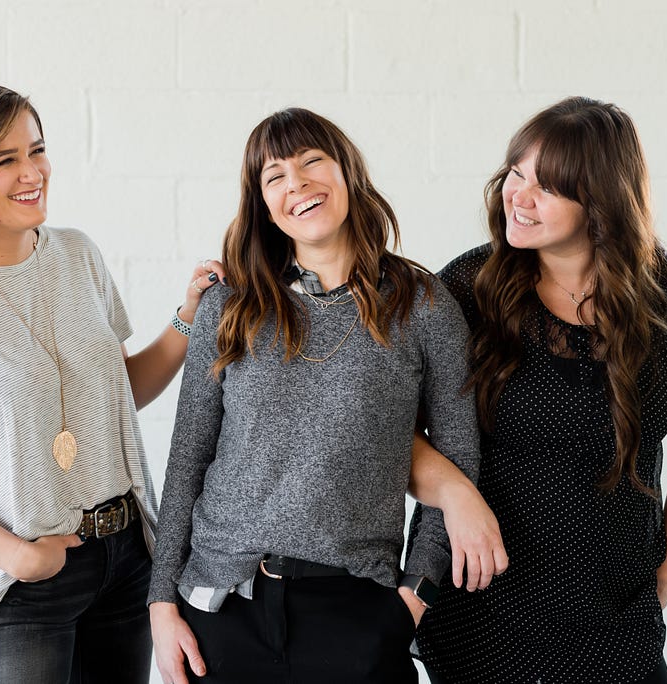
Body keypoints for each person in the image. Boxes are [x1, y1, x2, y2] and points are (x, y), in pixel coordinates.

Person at [0, 80, 224, 684]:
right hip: (20, 584)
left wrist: (187, 318)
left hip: (125, 560)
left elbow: (118, 396)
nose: (32, 171)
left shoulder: (77, 255)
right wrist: (18, 557)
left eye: (36, 150)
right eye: (4, 160)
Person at [147, 107, 507, 684]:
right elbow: (189, 455)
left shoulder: (424, 305)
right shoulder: (231, 306)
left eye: (313, 161)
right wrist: (162, 604)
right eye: (276, 176)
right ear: (263, 204)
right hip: (219, 611)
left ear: (348, 174)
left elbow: (459, 461)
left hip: (358, 615)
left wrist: (410, 603)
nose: (298, 184)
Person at [409, 96, 667, 683]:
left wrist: (664, 578)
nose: (519, 196)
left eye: (549, 187)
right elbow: (381, 427)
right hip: (481, 613)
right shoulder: (466, 287)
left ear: (602, 203)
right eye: (516, 173)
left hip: (614, 617)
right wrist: (455, 493)